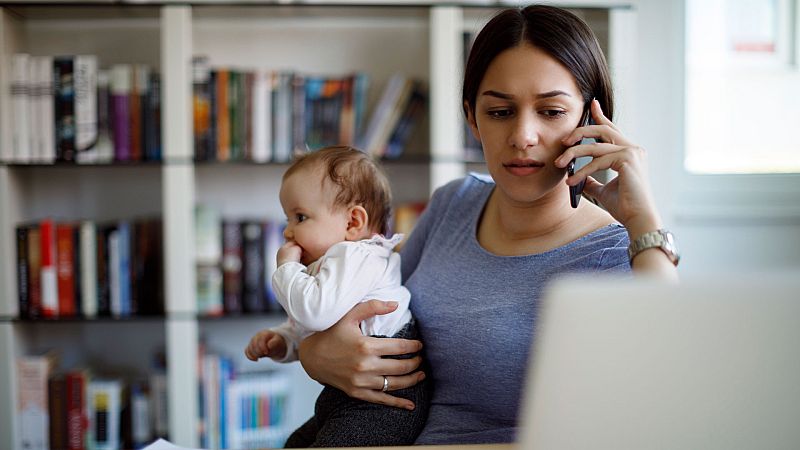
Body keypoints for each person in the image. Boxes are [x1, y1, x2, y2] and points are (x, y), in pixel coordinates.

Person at [294, 4, 680, 446]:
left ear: (591, 121)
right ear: (472, 118)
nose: (523, 136)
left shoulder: (621, 252)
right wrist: (314, 352)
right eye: (500, 112)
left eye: (551, 112)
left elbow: (665, 390)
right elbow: (366, 300)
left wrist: (642, 220)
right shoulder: (453, 203)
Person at [243, 145, 430, 447]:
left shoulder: (357, 256)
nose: (288, 232)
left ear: (352, 223)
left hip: (384, 402)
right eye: (288, 219)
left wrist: (286, 268)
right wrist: (284, 340)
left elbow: (315, 312)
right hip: (347, 395)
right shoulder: (334, 263)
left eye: (300, 217)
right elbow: (316, 326)